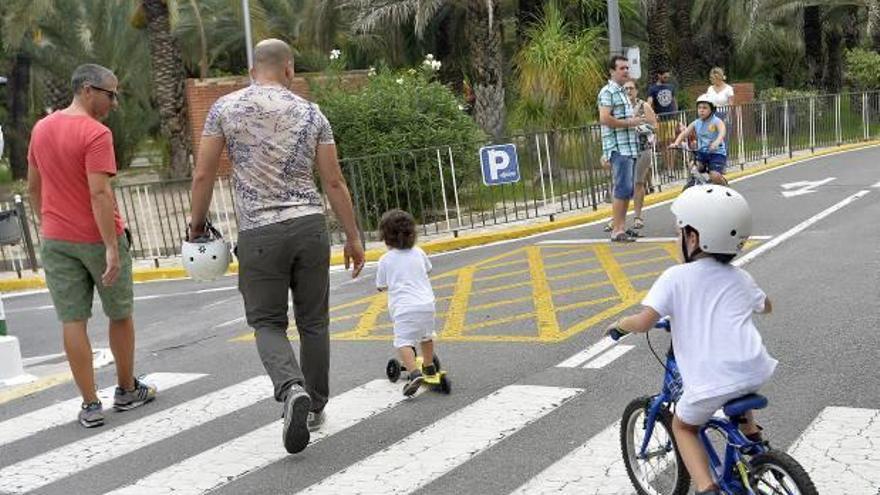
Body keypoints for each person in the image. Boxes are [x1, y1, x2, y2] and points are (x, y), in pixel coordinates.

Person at [187, 38, 365, 454]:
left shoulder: (224, 109)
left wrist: (197, 226)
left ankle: (290, 389)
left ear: (253, 70)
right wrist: (354, 236)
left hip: (259, 233)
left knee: (267, 323)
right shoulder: (311, 112)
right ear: (288, 70)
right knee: (314, 322)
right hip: (309, 226)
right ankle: (315, 406)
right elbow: (334, 181)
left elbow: (203, 175)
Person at [605, 185, 775, 495]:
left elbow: (644, 322)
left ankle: (706, 487)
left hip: (713, 379)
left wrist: (619, 325)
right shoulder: (741, 277)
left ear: (693, 239)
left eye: (679, 232)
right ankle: (754, 444)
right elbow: (765, 306)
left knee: (684, 427)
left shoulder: (675, 277)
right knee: (738, 383)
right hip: (755, 368)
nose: (676, 239)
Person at [27, 63, 156, 428]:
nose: (114, 103)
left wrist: (47, 222)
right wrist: (111, 248)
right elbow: (99, 194)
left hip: (56, 240)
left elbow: (33, 188)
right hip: (97, 239)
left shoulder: (41, 128)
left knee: (73, 321)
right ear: (88, 90)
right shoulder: (95, 133)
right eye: (110, 94)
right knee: (119, 314)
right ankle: (127, 390)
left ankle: (89, 405)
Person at [375, 209, 438, 396]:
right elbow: (428, 270)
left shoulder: (385, 260)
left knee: (403, 341)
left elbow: (381, 285)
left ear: (385, 237)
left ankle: (414, 372)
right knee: (426, 336)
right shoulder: (419, 252)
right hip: (427, 304)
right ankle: (429, 366)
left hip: (404, 308)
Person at [598, 55, 647, 242]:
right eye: (621, 68)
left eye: (627, 67)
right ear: (612, 71)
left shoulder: (622, 93)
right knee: (622, 187)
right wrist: (629, 123)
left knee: (627, 189)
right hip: (619, 147)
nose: (626, 71)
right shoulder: (608, 92)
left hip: (630, 147)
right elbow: (604, 118)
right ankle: (617, 229)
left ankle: (622, 227)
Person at [669, 95, 728, 185]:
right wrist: (676, 143)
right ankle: (698, 184)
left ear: (712, 109)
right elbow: (685, 133)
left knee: (715, 176)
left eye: (705, 108)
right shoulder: (696, 123)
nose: (701, 110)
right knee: (692, 167)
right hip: (702, 153)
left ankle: (725, 186)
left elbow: (722, 132)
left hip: (716, 153)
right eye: (699, 108)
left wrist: (716, 142)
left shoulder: (716, 121)